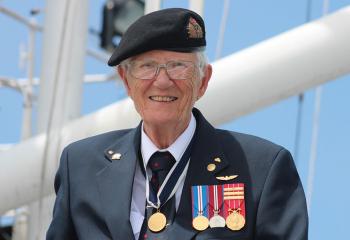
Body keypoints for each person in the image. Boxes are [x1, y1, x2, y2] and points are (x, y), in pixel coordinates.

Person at [46, 8, 308, 240]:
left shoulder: (261, 169)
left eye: (178, 66)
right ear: (126, 81)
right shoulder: (80, 167)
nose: (162, 81)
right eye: (147, 66)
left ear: (203, 81)